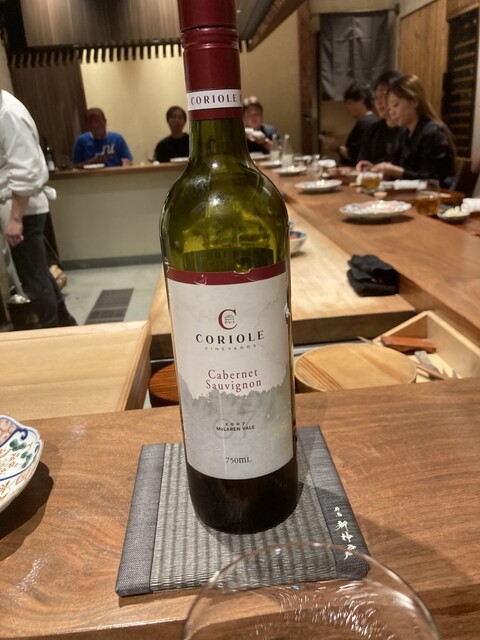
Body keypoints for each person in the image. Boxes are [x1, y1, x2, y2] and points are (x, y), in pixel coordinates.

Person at [0, 88, 76, 328]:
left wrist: (15, 219)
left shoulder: (8, 112)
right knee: (38, 272)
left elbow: (26, 169)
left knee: (33, 279)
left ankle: (51, 330)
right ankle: (65, 324)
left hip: (21, 207)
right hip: (20, 206)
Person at [370, 74, 456, 188]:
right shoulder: (404, 133)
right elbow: (396, 164)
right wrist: (377, 168)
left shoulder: (432, 133)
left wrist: (396, 171)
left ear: (414, 102)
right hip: (408, 194)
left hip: (436, 196)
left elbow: (432, 179)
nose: (392, 112)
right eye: (389, 108)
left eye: (396, 105)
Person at [322, 82, 379, 166]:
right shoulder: (372, 120)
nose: (347, 107)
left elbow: (354, 156)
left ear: (361, 100)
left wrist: (336, 148)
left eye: (349, 103)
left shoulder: (365, 123)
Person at [356, 71, 404, 170]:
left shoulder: (408, 130)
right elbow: (362, 161)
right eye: (376, 97)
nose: (378, 102)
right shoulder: (373, 130)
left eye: (383, 95)